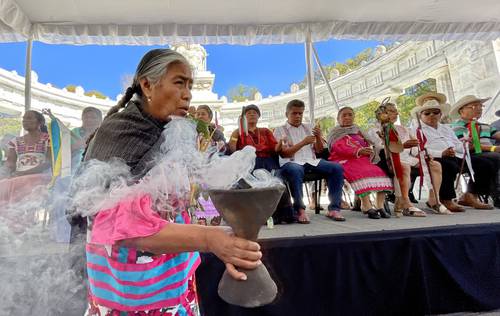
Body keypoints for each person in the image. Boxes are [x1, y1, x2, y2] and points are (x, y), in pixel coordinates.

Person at [82, 49, 262, 315]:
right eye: (179, 82)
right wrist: (211, 240)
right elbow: (119, 225)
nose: (188, 94)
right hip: (133, 293)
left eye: (189, 85)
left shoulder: (167, 130)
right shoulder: (121, 133)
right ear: (147, 85)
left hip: (170, 281)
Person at [411, 95, 492, 211]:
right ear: (420, 115)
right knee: (448, 164)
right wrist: (441, 153)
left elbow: (457, 144)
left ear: (440, 114)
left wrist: (464, 145)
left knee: (485, 163)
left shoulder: (446, 128)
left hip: (454, 155)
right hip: (432, 158)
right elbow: (418, 150)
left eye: (435, 112)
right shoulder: (416, 130)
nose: (432, 115)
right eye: (427, 113)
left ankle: (470, 195)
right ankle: (446, 199)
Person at [369, 101, 449, 215]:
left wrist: (423, 155)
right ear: (382, 113)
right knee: (404, 166)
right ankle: (405, 202)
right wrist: (403, 145)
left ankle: (433, 199)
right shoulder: (375, 130)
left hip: (407, 157)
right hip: (388, 159)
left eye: (396, 111)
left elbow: (415, 149)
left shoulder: (404, 129)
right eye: (391, 111)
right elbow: (380, 148)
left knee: (435, 165)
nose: (396, 114)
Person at [274, 99, 345, 223]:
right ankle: (300, 210)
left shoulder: (309, 127)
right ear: (287, 114)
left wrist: (318, 137)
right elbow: (284, 154)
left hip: (311, 161)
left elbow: (318, 150)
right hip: (290, 163)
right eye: (294, 113)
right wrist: (303, 143)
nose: (297, 116)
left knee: (337, 168)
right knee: (295, 170)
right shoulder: (280, 130)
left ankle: (334, 208)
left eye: (300, 113)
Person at [228, 104, 294, 223]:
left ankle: (282, 215)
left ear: (259, 116)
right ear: (244, 117)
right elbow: (232, 149)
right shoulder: (238, 132)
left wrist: (280, 143)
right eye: (248, 113)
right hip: (249, 164)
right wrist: (236, 135)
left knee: (278, 181)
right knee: (249, 185)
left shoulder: (265, 131)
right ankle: (257, 216)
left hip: (268, 162)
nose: (252, 114)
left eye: (254, 112)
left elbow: (275, 148)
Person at [328, 107, 393, 219]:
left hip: (362, 159)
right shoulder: (335, 132)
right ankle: (366, 206)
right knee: (362, 172)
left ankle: (379, 206)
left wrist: (371, 148)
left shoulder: (358, 130)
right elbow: (338, 148)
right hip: (343, 160)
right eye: (344, 115)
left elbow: (369, 143)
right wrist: (358, 151)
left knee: (380, 172)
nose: (347, 117)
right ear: (338, 118)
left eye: (350, 115)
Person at [450, 95, 500, 208]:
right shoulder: (456, 127)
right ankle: (473, 194)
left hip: (488, 154)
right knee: (492, 159)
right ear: (461, 110)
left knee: (493, 158)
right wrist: (492, 148)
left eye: (480, 106)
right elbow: (466, 146)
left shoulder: (485, 126)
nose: (479, 108)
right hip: (467, 156)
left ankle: (475, 195)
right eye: (474, 106)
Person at [0, 110, 51, 204]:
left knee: (21, 186)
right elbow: (10, 163)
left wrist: (24, 173)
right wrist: (3, 175)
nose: (25, 121)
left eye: (29, 118)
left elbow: (48, 163)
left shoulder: (48, 139)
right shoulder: (15, 141)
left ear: (40, 122)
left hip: (41, 178)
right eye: (23, 118)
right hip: (20, 178)